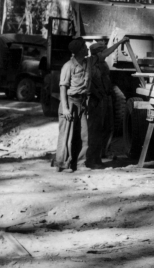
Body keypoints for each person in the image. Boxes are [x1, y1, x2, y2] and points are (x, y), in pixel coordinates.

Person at [54, 36, 127, 172]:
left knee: (84, 135)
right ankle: (61, 164)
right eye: (84, 47)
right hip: (70, 102)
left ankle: (81, 164)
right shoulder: (68, 66)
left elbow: (106, 53)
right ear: (79, 50)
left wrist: (120, 42)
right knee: (66, 134)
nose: (87, 48)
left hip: (81, 102)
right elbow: (63, 87)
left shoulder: (89, 62)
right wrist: (65, 108)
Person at [89, 42, 115, 161]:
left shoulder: (102, 62)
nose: (105, 54)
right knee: (97, 127)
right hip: (98, 98)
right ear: (98, 53)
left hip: (107, 96)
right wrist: (120, 42)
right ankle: (95, 154)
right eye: (103, 52)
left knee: (108, 126)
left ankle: (104, 151)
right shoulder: (92, 63)